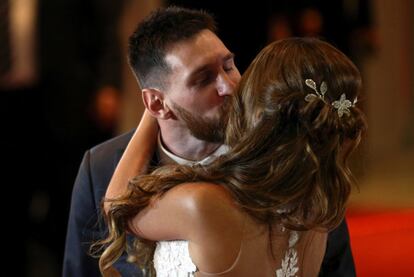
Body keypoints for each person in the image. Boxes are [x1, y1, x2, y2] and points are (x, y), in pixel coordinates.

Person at [63, 6, 357, 277]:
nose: (228, 86)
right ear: (155, 102)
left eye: (229, 66)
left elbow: (337, 269)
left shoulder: (299, 165)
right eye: (203, 79)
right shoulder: (100, 168)